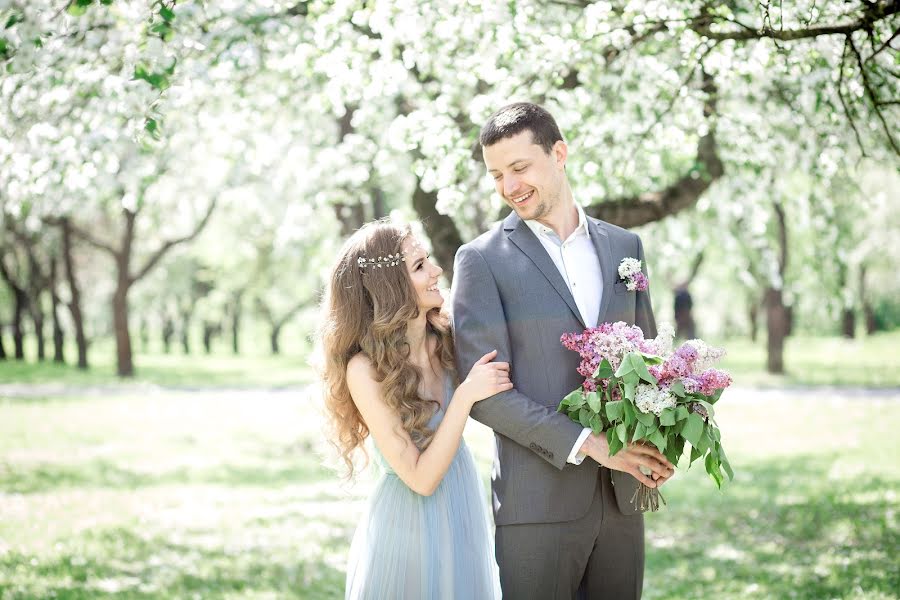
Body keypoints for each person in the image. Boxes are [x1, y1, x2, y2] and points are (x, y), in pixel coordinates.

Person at [450, 102, 676, 600]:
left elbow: (649, 359)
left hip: (623, 501)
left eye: (519, 167)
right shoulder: (481, 260)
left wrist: (660, 436)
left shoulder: (625, 248)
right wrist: (590, 444)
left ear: (559, 153)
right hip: (537, 506)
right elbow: (484, 395)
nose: (509, 187)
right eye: (496, 175)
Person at [318, 220, 505, 600]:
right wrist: (466, 395)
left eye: (428, 261)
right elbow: (420, 479)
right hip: (404, 528)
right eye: (420, 266)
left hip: (461, 505)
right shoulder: (364, 369)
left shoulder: (450, 341)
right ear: (391, 289)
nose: (437, 271)